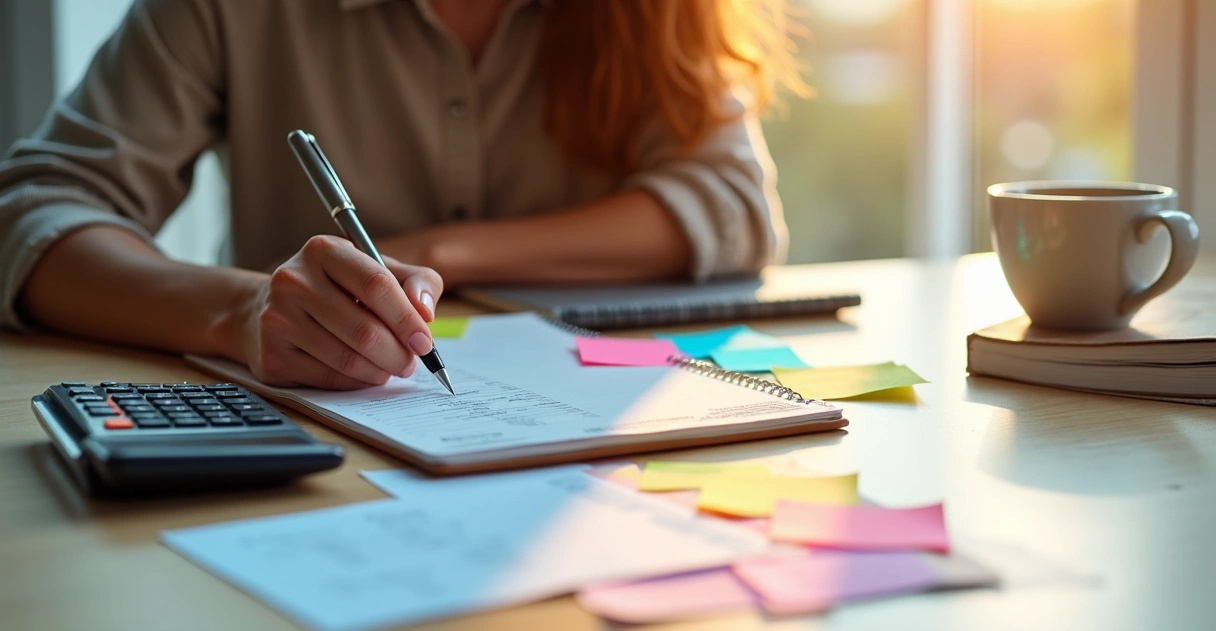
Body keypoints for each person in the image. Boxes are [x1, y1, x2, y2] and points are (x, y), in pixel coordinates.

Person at [0, 0, 802, 389]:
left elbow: (731, 204)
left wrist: (442, 252)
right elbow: (35, 213)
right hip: (299, 458)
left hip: (598, 469)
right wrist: (236, 312)